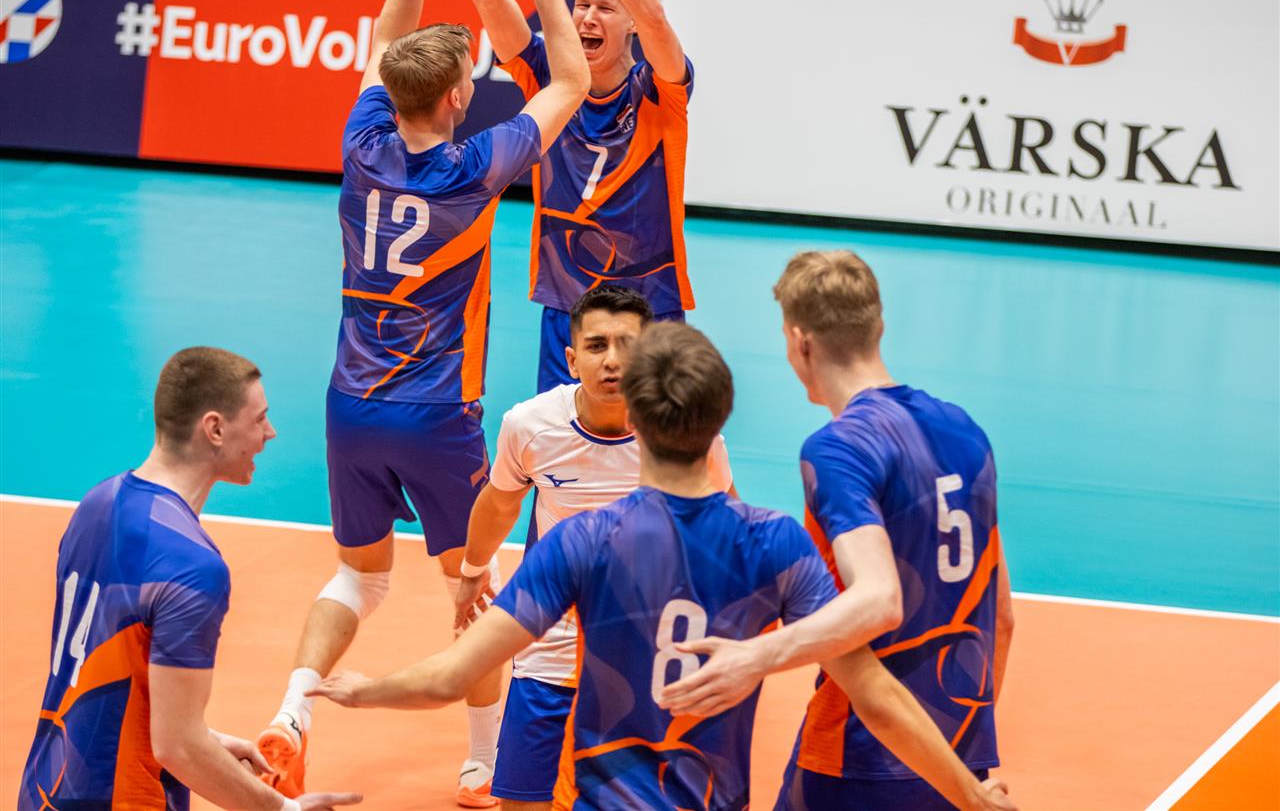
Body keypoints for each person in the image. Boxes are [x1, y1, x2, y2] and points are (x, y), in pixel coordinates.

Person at [307, 323, 1016, 811]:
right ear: (721, 422)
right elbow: (874, 691)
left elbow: (452, 676)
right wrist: (970, 792)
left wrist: (363, 690)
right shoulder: (776, 544)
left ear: (636, 421)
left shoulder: (582, 540)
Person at [254, 0, 589, 806]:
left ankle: (292, 711)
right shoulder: (476, 165)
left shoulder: (362, 144)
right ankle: (480, 763)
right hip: (438, 413)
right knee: (470, 584)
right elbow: (572, 81)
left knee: (360, 577)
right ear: (455, 98)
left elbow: (382, 38)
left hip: (351, 404)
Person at [660, 251, 1017, 810]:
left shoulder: (838, 449)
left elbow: (878, 602)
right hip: (958, 753)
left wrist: (755, 656)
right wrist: (964, 772)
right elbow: (1002, 617)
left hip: (861, 758)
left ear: (799, 341)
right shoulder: (963, 428)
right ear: (879, 326)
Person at [17, 347, 360, 811]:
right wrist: (284, 808)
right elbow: (176, 747)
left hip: (48, 789)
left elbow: (111, 679)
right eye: (260, 419)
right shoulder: (192, 567)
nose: (270, 433)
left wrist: (208, 741)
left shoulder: (97, 504)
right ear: (214, 428)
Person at [452, 286, 733, 809]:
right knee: (522, 802)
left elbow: (726, 526)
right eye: (597, 345)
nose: (613, 361)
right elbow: (499, 503)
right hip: (551, 649)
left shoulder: (686, 432)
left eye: (628, 345)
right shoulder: (530, 425)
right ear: (571, 358)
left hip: (649, 658)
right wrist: (473, 571)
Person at [472, 0, 697, 393]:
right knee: (561, 430)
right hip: (568, 304)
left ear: (632, 21)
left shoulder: (657, 89)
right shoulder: (549, 79)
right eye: (582, 5)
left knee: (652, 432)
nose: (589, 17)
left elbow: (655, 17)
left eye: (605, 8)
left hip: (649, 305)